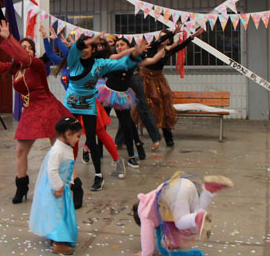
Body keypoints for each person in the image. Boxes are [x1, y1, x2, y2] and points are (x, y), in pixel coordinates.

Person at [0, 21, 78, 206]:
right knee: (20, 150)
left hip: (48, 109)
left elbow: (24, 57)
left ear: (33, 52)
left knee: (60, 151)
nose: (25, 50)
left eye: (28, 47)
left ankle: (75, 187)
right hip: (30, 112)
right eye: (23, 47)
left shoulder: (36, 64)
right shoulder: (15, 68)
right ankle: (21, 187)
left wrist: (9, 38)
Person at [64, 32, 148, 191]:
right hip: (71, 105)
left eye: (88, 47)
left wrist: (135, 54)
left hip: (89, 105)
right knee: (69, 139)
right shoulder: (73, 60)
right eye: (83, 47)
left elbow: (121, 63)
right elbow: (75, 48)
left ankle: (98, 175)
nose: (84, 50)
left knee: (92, 139)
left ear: (93, 49)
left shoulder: (100, 64)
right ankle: (70, 174)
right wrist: (86, 41)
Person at [44, 28, 127, 180]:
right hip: (73, 105)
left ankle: (117, 160)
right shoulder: (66, 62)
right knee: (73, 137)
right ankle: (71, 170)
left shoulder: (84, 62)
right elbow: (50, 54)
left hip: (89, 103)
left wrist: (57, 40)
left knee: (99, 134)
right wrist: (47, 38)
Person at [97, 37, 166, 167]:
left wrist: (163, 50)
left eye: (122, 44)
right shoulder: (113, 57)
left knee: (127, 125)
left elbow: (152, 60)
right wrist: (135, 49)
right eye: (117, 45)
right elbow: (120, 55)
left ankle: (131, 156)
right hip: (107, 93)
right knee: (101, 124)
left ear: (128, 45)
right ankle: (98, 150)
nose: (119, 47)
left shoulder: (134, 62)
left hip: (121, 96)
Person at [133, 171, 233, 256]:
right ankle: (207, 191)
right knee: (198, 212)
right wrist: (173, 243)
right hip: (185, 184)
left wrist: (145, 253)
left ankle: (197, 217)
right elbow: (170, 226)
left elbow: (146, 236)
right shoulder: (152, 200)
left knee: (180, 222)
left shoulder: (144, 215)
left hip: (174, 192)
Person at [141, 27, 203, 147]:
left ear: (169, 40)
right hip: (145, 80)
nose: (162, 38)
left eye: (165, 37)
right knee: (141, 106)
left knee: (164, 108)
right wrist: (172, 33)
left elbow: (181, 46)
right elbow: (159, 41)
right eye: (161, 36)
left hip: (158, 80)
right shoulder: (152, 46)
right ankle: (129, 137)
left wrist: (191, 37)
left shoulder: (168, 50)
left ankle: (168, 137)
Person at [29, 117, 82, 255]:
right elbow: (52, 170)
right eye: (78, 136)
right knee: (58, 214)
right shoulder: (57, 150)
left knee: (61, 214)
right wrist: (58, 187)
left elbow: (68, 166)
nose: (78, 139)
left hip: (63, 187)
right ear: (68, 134)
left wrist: (69, 182)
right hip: (56, 189)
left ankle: (57, 237)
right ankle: (59, 244)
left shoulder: (66, 147)